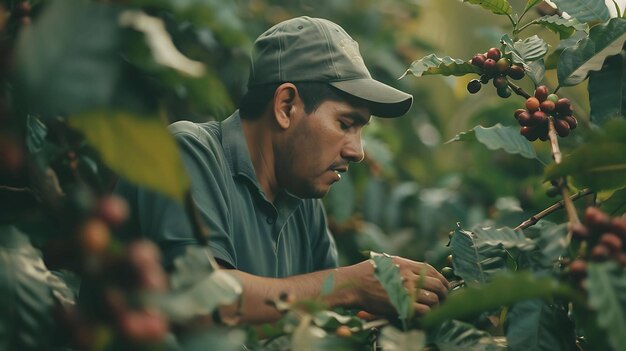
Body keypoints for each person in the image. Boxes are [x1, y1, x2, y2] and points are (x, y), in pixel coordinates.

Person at [116, 16, 449, 324]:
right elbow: (202, 303)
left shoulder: (305, 204)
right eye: (346, 123)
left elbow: (313, 321)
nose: (358, 152)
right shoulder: (187, 153)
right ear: (286, 106)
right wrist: (351, 285)